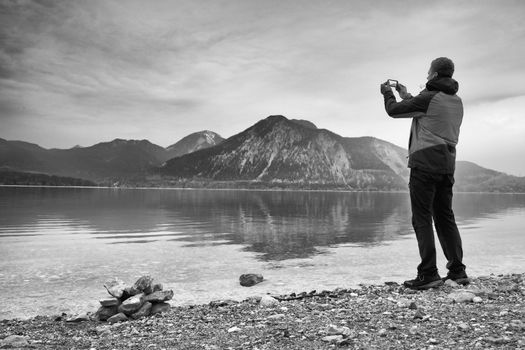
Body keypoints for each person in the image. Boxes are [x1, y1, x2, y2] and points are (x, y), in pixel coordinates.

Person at [379, 57, 469, 290]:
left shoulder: (429, 98)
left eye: (429, 72)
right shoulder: (455, 100)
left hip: (425, 164)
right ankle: (457, 271)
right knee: (445, 217)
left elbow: (394, 111)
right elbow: (423, 110)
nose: (427, 76)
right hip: (447, 164)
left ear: (435, 75)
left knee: (421, 218)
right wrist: (405, 94)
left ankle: (428, 273)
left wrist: (387, 94)